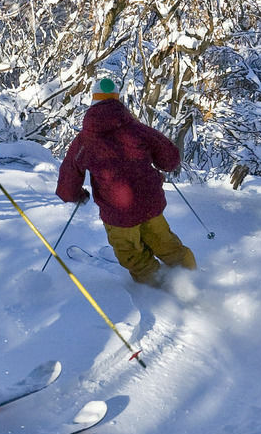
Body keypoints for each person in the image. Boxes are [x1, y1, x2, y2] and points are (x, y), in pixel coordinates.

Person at [56, 77, 197, 286]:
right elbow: (170, 159)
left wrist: (75, 195)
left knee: (131, 254)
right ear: (117, 100)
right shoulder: (137, 129)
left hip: (118, 213)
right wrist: (157, 162)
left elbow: (69, 175)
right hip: (150, 203)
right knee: (167, 245)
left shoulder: (85, 140)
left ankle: (160, 288)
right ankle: (193, 280)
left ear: (94, 101)